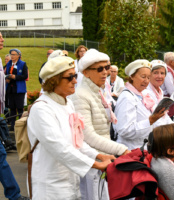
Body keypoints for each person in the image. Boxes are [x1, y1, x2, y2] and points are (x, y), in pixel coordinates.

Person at [28, 56, 114, 200]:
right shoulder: (42, 108)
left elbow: (77, 141)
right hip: (51, 186)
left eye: (75, 76)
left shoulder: (68, 104)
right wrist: (96, 164)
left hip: (71, 181)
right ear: (53, 80)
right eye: (69, 77)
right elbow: (59, 147)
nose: (75, 80)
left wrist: (98, 156)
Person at [71, 49, 129, 200]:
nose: (105, 72)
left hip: (104, 157)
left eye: (107, 67)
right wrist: (121, 149)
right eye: (99, 69)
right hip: (92, 161)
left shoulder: (98, 91)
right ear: (85, 72)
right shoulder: (81, 95)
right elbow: (88, 135)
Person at [0, 32, 29, 200]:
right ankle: (14, 195)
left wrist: (13, 77)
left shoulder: (21, 64)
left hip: (17, 91)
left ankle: (14, 194)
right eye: (0, 37)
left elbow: (24, 76)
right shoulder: (6, 64)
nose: (3, 39)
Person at [113, 59, 165, 150]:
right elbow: (125, 130)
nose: (146, 81)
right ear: (132, 76)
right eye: (143, 76)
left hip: (142, 148)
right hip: (130, 151)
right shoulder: (127, 98)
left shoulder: (143, 95)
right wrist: (150, 121)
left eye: (148, 77)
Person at [143, 59, 173, 125]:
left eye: (162, 73)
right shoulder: (145, 92)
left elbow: (164, 115)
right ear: (149, 75)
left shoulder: (160, 91)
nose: (159, 76)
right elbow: (153, 118)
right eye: (155, 73)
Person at [5, 48, 28, 131]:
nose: (12, 56)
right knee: (12, 107)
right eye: (11, 54)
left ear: (18, 55)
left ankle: (21, 125)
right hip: (10, 89)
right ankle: (12, 125)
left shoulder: (22, 64)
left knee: (19, 107)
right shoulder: (9, 64)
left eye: (14, 54)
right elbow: (7, 73)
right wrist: (7, 78)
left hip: (19, 89)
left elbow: (25, 76)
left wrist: (15, 77)